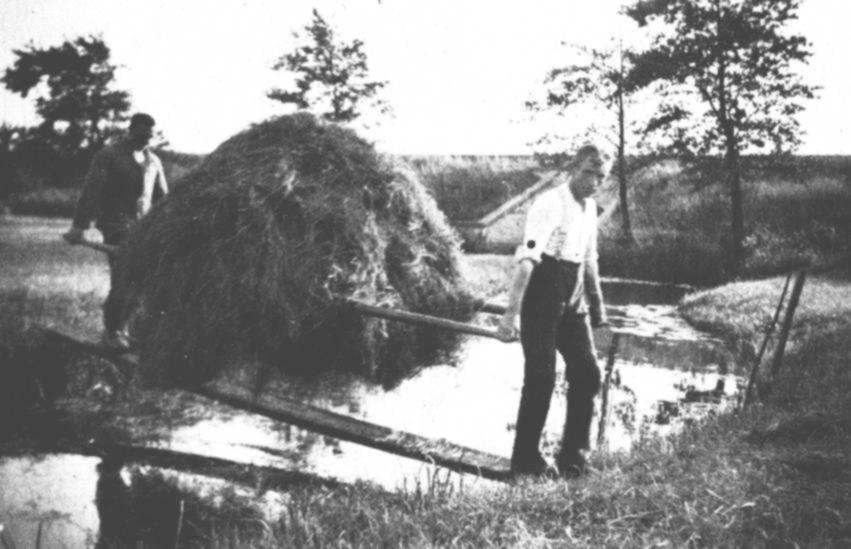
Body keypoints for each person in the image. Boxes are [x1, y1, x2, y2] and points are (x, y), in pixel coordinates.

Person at [497, 143, 609, 479]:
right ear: (574, 168)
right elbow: (528, 259)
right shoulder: (550, 203)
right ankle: (525, 460)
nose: (594, 181)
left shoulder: (590, 208)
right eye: (588, 172)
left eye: (601, 176)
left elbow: (589, 259)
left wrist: (598, 305)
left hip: (573, 299)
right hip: (542, 295)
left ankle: (574, 457)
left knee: (588, 374)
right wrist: (509, 314)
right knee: (541, 377)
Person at [63, 113, 168, 349]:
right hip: (115, 225)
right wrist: (79, 226)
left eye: (150, 135)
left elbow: (164, 200)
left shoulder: (153, 162)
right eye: (142, 133)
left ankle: (135, 332)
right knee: (124, 277)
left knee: (144, 279)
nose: (147, 138)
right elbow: (91, 191)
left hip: (143, 227)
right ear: (131, 130)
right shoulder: (109, 155)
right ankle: (113, 331)